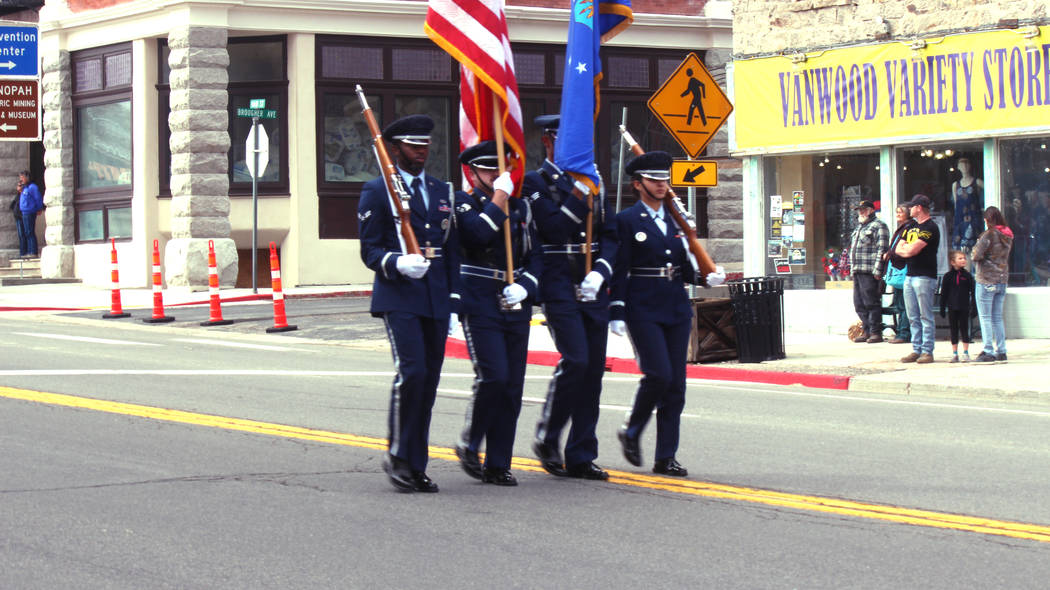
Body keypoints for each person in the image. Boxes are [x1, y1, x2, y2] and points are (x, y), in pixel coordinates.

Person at [357, 114, 459, 493]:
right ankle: (399, 457)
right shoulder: (377, 190)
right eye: (414, 146)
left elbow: (451, 250)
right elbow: (370, 250)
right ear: (394, 148)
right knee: (412, 373)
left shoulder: (440, 189)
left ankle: (417, 464)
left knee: (429, 382)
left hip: (434, 295)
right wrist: (397, 262)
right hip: (399, 293)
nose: (422, 152)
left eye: (426, 145)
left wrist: (452, 301)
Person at [610, 151, 725, 477]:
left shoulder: (677, 221)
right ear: (638, 184)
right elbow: (620, 270)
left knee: (676, 385)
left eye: (664, 179)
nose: (661, 185)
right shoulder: (627, 220)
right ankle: (632, 429)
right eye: (654, 180)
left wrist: (706, 277)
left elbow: (686, 266)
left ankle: (666, 456)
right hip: (642, 307)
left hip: (675, 306)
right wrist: (616, 309)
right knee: (658, 375)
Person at [524, 114, 618, 481]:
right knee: (576, 360)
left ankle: (581, 453)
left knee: (593, 371)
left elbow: (610, 234)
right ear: (549, 141)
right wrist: (581, 190)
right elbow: (554, 227)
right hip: (558, 282)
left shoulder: (595, 182)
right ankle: (549, 434)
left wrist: (602, 271)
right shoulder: (535, 183)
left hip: (591, 283)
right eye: (568, 140)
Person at [452, 140, 542, 487]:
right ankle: (471, 440)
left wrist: (527, 286)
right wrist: (499, 198)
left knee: (513, 386)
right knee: (494, 376)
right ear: (472, 173)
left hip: (513, 299)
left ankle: (498, 462)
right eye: (487, 168)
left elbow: (536, 255)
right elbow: (477, 234)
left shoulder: (520, 207)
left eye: (499, 168)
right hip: (479, 299)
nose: (495, 174)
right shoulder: (463, 203)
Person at [894, 194, 940, 364]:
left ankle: (927, 351)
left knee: (925, 315)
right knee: (912, 315)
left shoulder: (930, 227)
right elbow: (898, 247)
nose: (909, 209)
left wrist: (906, 249)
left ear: (919, 207)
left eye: (912, 206)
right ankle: (916, 348)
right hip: (910, 275)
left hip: (925, 276)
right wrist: (906, 249)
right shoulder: (910, 226)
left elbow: (912, 250)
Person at [971, 206, 1014, 364]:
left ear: (987, 220)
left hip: (986, 279)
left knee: (985, 317)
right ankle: (1001, 350)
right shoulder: (1007, 235)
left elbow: (976, 255)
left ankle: (988, 349)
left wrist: (974, 249)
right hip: (1002, 279)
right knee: (997, 317)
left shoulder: (988, 234)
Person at [847, 200, 889, 343]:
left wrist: (878, 271)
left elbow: (882, 249)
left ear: (871, 210)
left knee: (871, 302)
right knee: (858, 303)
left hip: (869, 271)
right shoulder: (859, 227)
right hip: (858, 270)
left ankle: (876, 332)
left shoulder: (879, 225)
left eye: (864, 210)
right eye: (859, 210)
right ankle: (867, 330)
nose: (861, 212)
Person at [883, 204, 913, 343]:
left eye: (901, 212)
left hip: (903, 270)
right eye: (897, 212)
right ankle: (902, 331)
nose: (898, 214)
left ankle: (904, 333)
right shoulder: (902, 228)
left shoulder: (909, 227)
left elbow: (904, 248)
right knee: (900, 303)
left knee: (904, 304)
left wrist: (891, 254)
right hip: (898, 269)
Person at [939, 250, 976, 363]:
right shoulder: (948, 276)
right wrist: (942, 307)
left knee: (964, 329)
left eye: (964, 258)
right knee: (953, 329)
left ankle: (965, 353)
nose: (963, 260)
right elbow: (944, 293)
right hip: (952, 307)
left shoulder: (968, 276)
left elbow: (973, 292)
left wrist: (974, 307)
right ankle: (955, 353)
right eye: (960, 258)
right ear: (952, 262)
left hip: (964, 306)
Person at [950, 157, 983, 255]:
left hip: (974, 218)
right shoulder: (956, 185)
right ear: (958, 167)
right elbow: (956, 204)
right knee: (962, 251)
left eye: (966, 164)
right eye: (962, 165)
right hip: (960, 220)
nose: (964, 167)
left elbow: (991, 189)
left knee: (975, 249)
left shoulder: (976, 182)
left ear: (970, 166)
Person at [16, 170, 43, 258]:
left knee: (30, 232)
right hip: (24, 212)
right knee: (27, 232)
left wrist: (39, 208)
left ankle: (33, 251)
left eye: (22, 177)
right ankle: (29, 251)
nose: (21, 179)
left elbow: (38, 198)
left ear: (27, 177)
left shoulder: (32, 187)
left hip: (30, 212)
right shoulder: (25, 188)